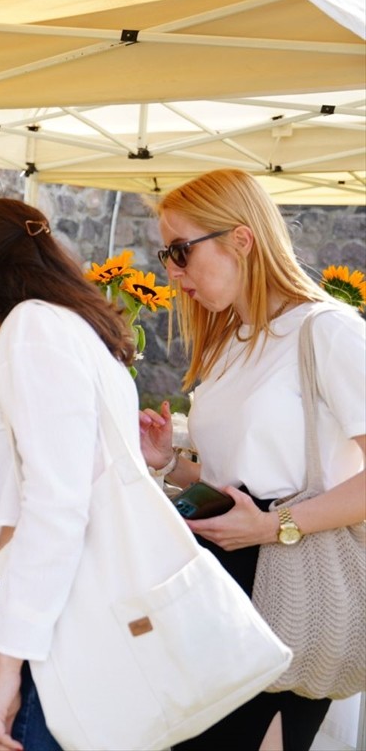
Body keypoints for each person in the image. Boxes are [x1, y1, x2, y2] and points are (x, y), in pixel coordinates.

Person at [139, 168, 365, 751]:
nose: (172, 270)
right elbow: (232, 478)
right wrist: (172, 464)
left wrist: (274, 525)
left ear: (241, 239)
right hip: (220, 582)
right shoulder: (230, 342)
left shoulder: (327, 331)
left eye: (181, 251)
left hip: (287, 581)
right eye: (166, 253)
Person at [0, 198, 138, 751]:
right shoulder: (68, 326)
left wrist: (8, 666)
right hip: (45, 592)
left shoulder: (32, 328)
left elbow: (57, 501)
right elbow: (32, 480)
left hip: (38, 614)